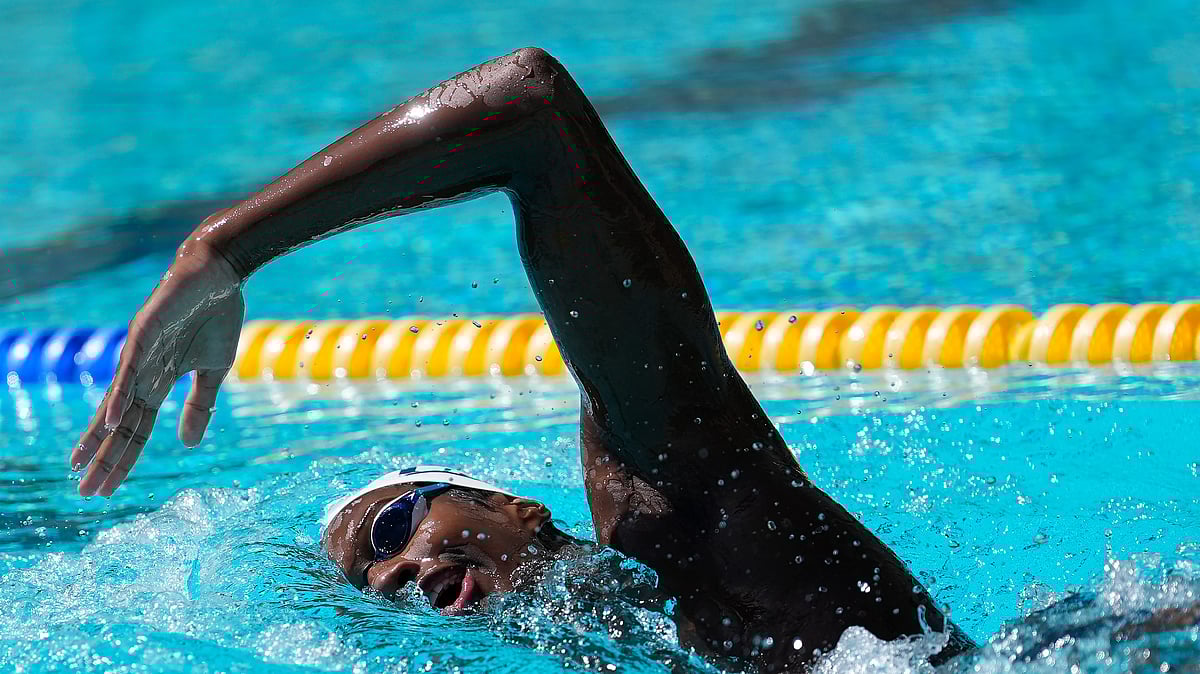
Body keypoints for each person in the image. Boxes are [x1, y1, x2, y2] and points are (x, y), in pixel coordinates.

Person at [67, 47, 976, 671]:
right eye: (372, 593)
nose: (390, 579)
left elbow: (528, 109)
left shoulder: (686, 517)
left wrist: (223, 250)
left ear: (514, 508)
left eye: (390, 532)